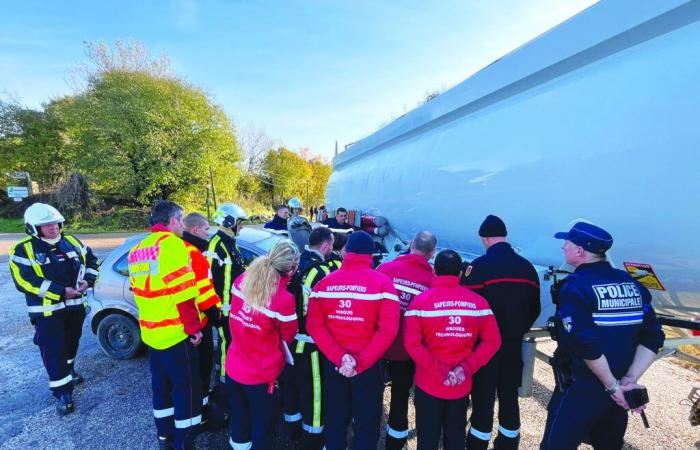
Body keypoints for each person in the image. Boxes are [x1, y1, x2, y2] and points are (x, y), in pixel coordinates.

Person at [540, 222, 665, 450]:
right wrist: (628, 381)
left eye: (566, 243)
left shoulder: (576, 286)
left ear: (580, 251)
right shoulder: (632, 284)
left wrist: (612, 387)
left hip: (583, 388)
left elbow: (586, 342)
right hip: (619, 391)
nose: (563, 248)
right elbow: (654, 337)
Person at [306, 231, 400, 450]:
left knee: (336, 419)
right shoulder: (383, 284)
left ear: (346, 251)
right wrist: (361, 362)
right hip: (367, 368)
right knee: (366, 423)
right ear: (371, 254)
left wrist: (340, 358)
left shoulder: (325, 283)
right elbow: (388, 330)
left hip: (335, 365)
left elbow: (314, 326)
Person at [404, 250, 501, 450]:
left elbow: (412, 344)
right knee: (455, 438)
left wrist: (440, 372)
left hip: (428, 383)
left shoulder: (419, 303)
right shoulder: (479, 303)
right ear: (460, 273)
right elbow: (493, 341)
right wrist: (465, 369)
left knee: (427, 440)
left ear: (434, 271)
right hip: (460, 385)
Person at [9, 203, 99, 415]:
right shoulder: (23, 249)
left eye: (56, 223)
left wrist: (88, 281)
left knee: (71, 345)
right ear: (33, 228)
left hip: (75, 308)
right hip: (48, 313)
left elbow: (93, 264)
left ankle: (69, 370)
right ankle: (62, 394)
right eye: (46, 225)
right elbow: (25, 280)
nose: (53, 228)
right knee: (54, 351)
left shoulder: (73, 242)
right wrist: (61, 291)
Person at [128, 200, 203, 450]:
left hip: (151, 334)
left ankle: (165, 438)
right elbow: (183, 294)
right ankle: (185, 442)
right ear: (173, 220)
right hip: (175, 334)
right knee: (186, 391)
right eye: (181, 220)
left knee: (161, 390)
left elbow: (138, 290)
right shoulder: (172, 245)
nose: (183, 225)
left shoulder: (138, 248)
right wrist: (194, 329)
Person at [463, 215, 541, 450]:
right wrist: (517, 329)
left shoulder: (477, 268)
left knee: (483, 398)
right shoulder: (527, 268)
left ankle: (477, 443)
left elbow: (468, 307)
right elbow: (534, 307)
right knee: (509, 397)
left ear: (485, 238)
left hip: (485, 349)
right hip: (513, 345)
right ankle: (508, 443)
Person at [226, 239, 299, 450]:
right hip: (261, 375)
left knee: (239, 423)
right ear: (291, 270)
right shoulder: (284, 299)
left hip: (234, 366)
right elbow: (288, 336)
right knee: (263, 427)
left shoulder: (242, 279)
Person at [377, 231, 437, 450]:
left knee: (373, 393)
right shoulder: (432, 282)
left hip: (379, 348)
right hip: (408, 353)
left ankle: (366, 432)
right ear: (431, 254)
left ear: (410, 245)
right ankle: (395, 441)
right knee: (400, 397)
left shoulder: (385, 270)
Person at [284, 227, 335, 449]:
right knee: (314, 393)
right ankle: (312, 439)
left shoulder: (295, 263)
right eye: (331, 245)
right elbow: (318, 313)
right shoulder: (320, 272)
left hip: (289, 340)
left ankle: (291, 429)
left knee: (291, 387)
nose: (332, 249)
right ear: (325, 246)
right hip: (310, 345)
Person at [181, 212, 227, 431]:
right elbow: (205, 293)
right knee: (201, 368)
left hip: (181, 324)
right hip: (198, 322)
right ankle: (201, 415)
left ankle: (198, 411)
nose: (208, 233)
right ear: (196, 230)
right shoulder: (193, 253)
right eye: (206, 229)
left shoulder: (179, 249)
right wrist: (217, 316)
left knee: (191, 373)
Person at [206, 203, 248, 380]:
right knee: (226, 345)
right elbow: (207, 281)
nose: (242, 226)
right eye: (240, 222)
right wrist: (218, 309)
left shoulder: (231, 244)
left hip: (234, 307)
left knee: (235, 344)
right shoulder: (216, 245)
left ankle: (234, 378)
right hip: (223, 310)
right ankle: (224, 385)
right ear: (230, 221)